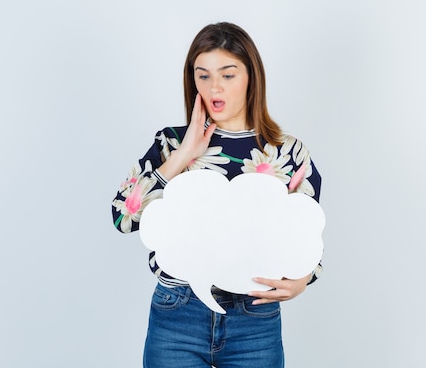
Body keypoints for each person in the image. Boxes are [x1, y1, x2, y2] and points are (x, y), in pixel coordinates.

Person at [111, 22, 322, 368]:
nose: (214, 87)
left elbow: (306, 235)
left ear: (251, 77)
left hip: (254, 317)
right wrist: (184, 154)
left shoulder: (287, 153)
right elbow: (123, 217)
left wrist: (303, 279)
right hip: (177, 311)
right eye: (203, 75)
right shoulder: (171, 143)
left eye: (228, 74)